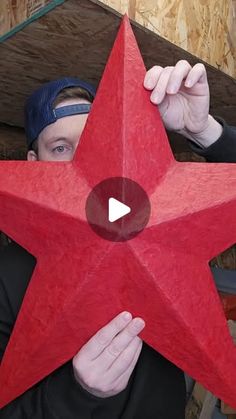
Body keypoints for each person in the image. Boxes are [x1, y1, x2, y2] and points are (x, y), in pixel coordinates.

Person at [0, 60, 235, 418]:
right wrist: (77, 393)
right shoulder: (6, 276)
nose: (83, 161)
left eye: (95, 140)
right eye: (61, 147)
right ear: (34, 162)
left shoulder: (169, 215)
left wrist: (204, 131)